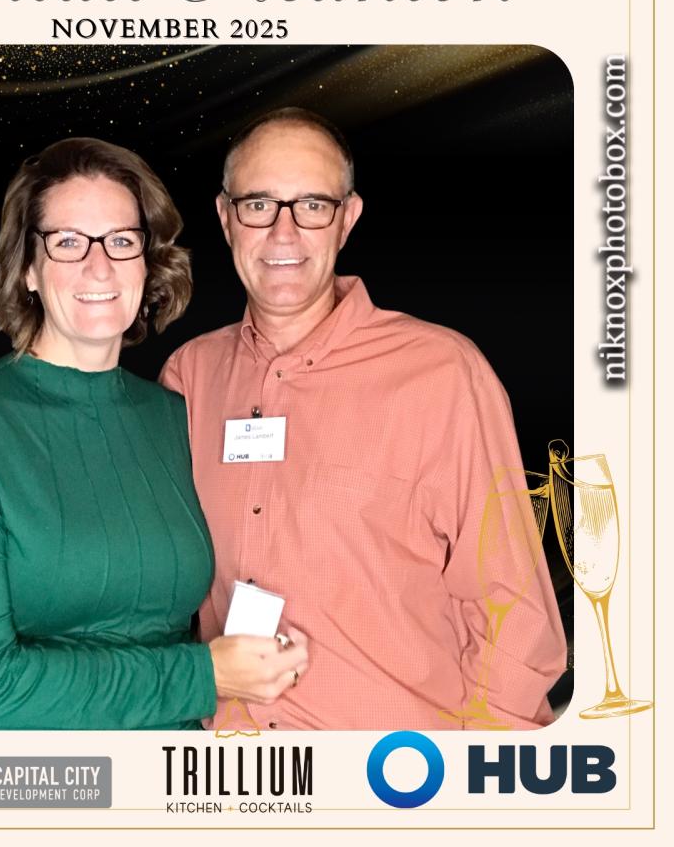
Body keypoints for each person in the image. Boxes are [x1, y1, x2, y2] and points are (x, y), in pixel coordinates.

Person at [161, 108, 567, 730]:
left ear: (347, 218)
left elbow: (516, 612)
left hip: (395, 769)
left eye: (313, 206)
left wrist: (484, 771)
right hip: (233, 768)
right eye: (259, 205)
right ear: (225, 217)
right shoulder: (191, 376)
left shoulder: (441, 373)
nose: (284, 231)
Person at [0, 137, 307, 729]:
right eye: (68, 242)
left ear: (148, 262)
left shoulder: (174, 416)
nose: (99, 266)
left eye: (121, 241)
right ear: (28, 268)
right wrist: (202, 677)